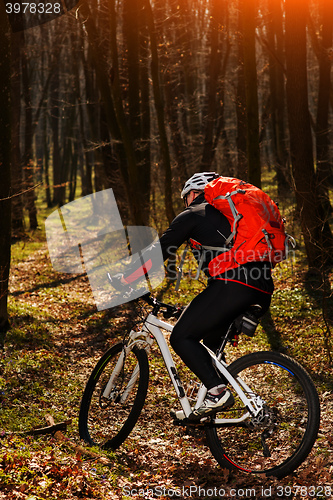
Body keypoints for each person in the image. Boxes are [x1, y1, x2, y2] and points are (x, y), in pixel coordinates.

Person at [113, 172, 274, 420]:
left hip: (232, 286)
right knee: (209, 344)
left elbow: (158, 253)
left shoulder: (194, 213)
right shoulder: (231, 218)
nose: (184, 203)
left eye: (184, 197)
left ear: (192, 193)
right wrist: (187, 310)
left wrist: (127, 278)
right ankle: (207, 406)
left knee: (181, 337)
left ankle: (217, 392)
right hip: (261, 288)